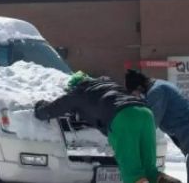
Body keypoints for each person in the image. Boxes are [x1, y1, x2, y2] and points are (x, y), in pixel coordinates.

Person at [34, 71, 181, 183]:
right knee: (150, 169)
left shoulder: (77, 93)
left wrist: (39, 107)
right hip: (145, 113)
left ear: (74, 86)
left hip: (123, 118)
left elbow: (52, 109)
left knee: (132, 172)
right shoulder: (109, 84)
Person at [125, 69, 189, 183]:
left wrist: (134, 141)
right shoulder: (160, 85)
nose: (137, 97)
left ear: (139, 87)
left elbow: (150, 124)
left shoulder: (156, 92)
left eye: (135, 94)